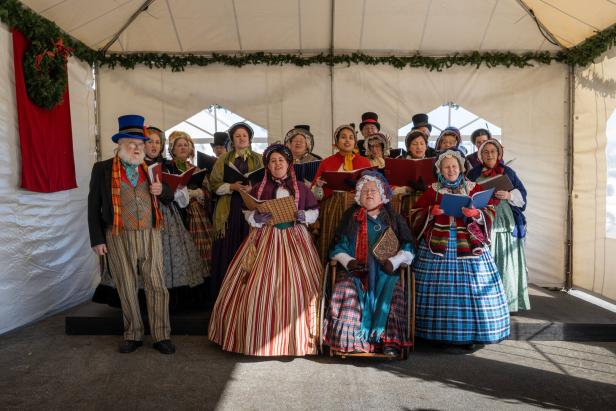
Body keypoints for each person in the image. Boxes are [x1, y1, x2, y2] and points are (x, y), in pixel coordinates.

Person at [209, 144, 322, 356]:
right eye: (273, 161)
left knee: (296, 286)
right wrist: (255, 218)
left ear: (289, 164)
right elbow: (247, 212)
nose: (277, 164)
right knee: (256, 287)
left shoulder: (301, 187)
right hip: (265, 238)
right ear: (268, 166)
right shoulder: (258, 187)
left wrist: (304, 216)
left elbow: (314, 210)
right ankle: (258, 335)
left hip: (295, 239)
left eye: (281, 160)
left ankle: (296, 338)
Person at [87, 114, 175, 354]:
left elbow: (169, 195)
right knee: (126, 285)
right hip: (118, 234)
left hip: (150, 233)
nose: (137, 148)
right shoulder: (103, 169)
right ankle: (133, 333)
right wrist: (97, 239)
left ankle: (160, 334)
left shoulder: (152, 169)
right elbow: (93, 206)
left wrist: (163, 190)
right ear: (120, 144)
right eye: (132, 144)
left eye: (140, 144)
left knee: (156, 285)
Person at [410, 149, 510, 348]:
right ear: (440, 169)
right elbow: (414, 213)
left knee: (475, 285)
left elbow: (489, 210)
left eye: (454, 166)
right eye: (446, 167)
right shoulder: (432, 190)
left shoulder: (474, 187)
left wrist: (475, 213)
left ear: (461, 167)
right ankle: (437, 334)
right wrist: (431, 211)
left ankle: (471, 334)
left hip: (469, 240)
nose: (451, 170)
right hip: (439, 242)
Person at [323, 171, 415, 356]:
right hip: (356, 271)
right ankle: (352, 340)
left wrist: (395, 261)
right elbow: (337, 246)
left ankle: (388, 341)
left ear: (382, 194)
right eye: (364, 191)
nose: (369, 194)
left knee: (394, 292)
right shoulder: (351, 218)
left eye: (373, 190)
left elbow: (408, 246)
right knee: (345, 289)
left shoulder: (394, 219)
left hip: (384, 272)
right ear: (358, 195)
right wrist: (348, 262)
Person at [467, 140, 529, 312]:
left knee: (504, 259)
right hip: (482, 220)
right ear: (480, 155)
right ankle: (485, 302)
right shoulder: (473, 174)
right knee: (485, 260)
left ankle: (507, 301)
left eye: (493, 151)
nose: (490, 155)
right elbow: (466, 193)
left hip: (504, 221)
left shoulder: (508, 172)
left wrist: (509, 195)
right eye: (485, 152)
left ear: (499, 153)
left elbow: (522, 195)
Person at [209, 122, 263, 296]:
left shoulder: (259, 158)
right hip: (230, 209)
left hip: (252, 208)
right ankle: (228, 291)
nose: (241, 138)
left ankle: (250, 289)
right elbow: (214, 185)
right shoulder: (223, 159)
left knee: (250, 245)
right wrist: (232, 186)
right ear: (232, 139)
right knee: (230, 247)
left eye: (244, 135)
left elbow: (265, 183)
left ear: (249, 139)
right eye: (237, 136)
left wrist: (252, 188)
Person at [312, 124, 372, 262]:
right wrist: (319, 186)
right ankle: (327, 274)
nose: (347, 140)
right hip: (332, 207)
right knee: (330, 238)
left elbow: (372, 187)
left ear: (355, 142)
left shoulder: (364, 161)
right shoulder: (327, 162)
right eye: (343, 137)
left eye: (351, 138)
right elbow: (316, 195)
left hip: (358, 207)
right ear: (336, 141)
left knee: (355, 241)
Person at [166, 131, 213, 290]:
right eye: (179, 145)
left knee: (202, 247)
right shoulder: (168, 167)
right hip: (176, 213)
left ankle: (203, 285)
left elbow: (207, 191)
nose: (183, 148)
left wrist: (198, 193)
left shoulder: (196, 168)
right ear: (172, 149)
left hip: (197, 213)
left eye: (186, 145)